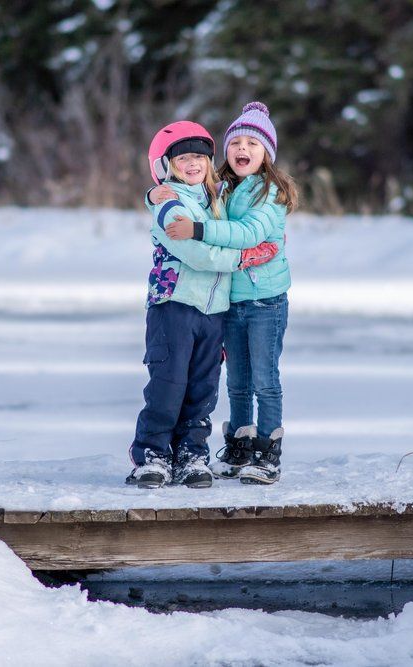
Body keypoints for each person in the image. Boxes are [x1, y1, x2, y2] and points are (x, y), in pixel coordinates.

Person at [149, 102, 297, 484]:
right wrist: (154, 195)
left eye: (253, 143)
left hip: (265, 300)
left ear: (267, 154)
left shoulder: (268, 191)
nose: (243, 149)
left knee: (264, 379)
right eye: (236, 142)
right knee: (237, 381)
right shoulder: (224, 187)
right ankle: (239, 446)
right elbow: (182, 189)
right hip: (230, 301)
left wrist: (198, 232)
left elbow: (249, 234)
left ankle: (267, 451)